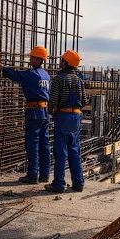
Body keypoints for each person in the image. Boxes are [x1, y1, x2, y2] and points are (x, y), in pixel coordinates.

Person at [0, 45, 52, 184]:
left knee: (32, 143)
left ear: (38, 59)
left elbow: (15, 74)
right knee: (44, 144)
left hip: (35, 112)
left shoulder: (32, 75)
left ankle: (32, 175)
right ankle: (45, 175)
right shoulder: (46, 75)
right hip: (44, 111)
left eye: (32, 57)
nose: (30, 59)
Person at [46, 49, 86, 193]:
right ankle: (78, 183)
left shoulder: (59, 79)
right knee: (74, 150)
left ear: (65, 62)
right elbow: (84, 101)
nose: (60, 62)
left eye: (61, 60)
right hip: (76, 117)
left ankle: (59, 184)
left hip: (63, 117)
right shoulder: (79, 80)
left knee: (60, 151)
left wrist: (51, 111)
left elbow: (52, 100)